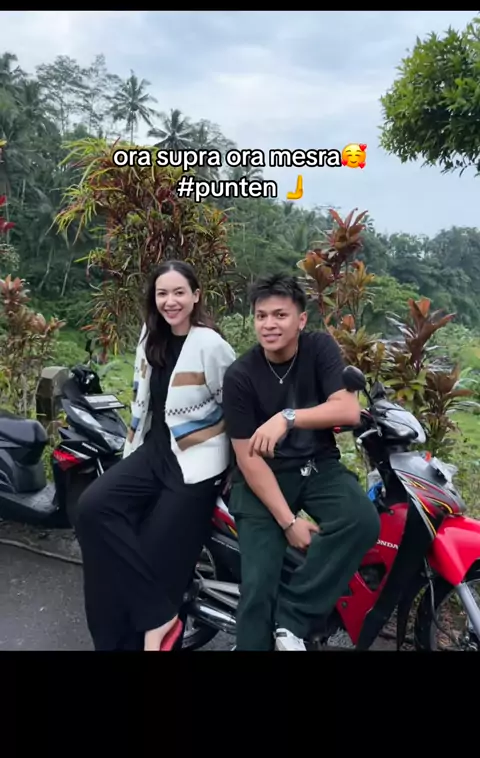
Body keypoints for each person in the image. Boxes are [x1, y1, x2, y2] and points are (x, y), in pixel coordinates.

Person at [75, 260, 236, 651]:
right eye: (162, 293)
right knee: (92, 508)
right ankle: (156, 616)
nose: (170, 301)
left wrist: (235, 469)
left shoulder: (211, 345)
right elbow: (143, 402)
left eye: (179, 292)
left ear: (196, 296)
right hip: (155, 450)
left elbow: (236, 407)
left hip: (198, 460)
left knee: (157, 552)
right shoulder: (151, 337)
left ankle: (155, 629)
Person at [222, 273, 380, 651]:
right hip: (264, 477)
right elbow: (248, 459)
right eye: (261, 316)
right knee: (258, 585)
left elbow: (347, 410)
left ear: (301, 319)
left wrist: (287, 417)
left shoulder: (319, 348)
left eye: (280, 315)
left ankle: (291, 620)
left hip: (317, 466)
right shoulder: (240, 376)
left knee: (360, 520)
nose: (269, 324)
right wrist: (289, 523)